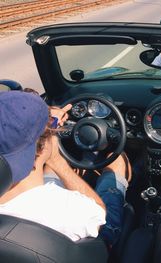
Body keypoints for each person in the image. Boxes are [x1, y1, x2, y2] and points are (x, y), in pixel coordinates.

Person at [0, 91, 131, 248]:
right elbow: (99, 213)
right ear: (41, 148)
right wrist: (56, 160)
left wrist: (47, 126)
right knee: (116, 161)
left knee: (49, 171)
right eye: (50, 131)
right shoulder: (64, 209)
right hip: (96, 244)